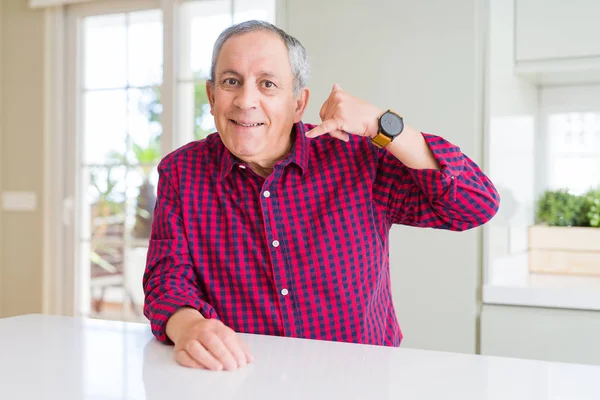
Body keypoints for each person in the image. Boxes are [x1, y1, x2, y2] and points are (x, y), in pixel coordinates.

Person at [142, 20, 500, 372]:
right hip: (243, 379)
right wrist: (188, 325)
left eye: (267, 84)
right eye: (231, 82)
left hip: (360, 382)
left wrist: (383, 124)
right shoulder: (181, 172)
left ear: (299, 103)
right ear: (212, 96)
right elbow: (166, 280)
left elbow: (475, 205)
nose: (245, 100)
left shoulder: (357, 157)